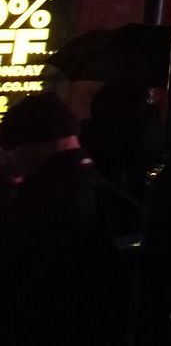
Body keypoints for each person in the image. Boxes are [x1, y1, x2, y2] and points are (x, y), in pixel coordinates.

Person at [0, 92, 141, 345]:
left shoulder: (45, 200)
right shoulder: (107, 192)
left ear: (42, 144)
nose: (8, 158)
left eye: (13, 148)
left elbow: (24, 284)